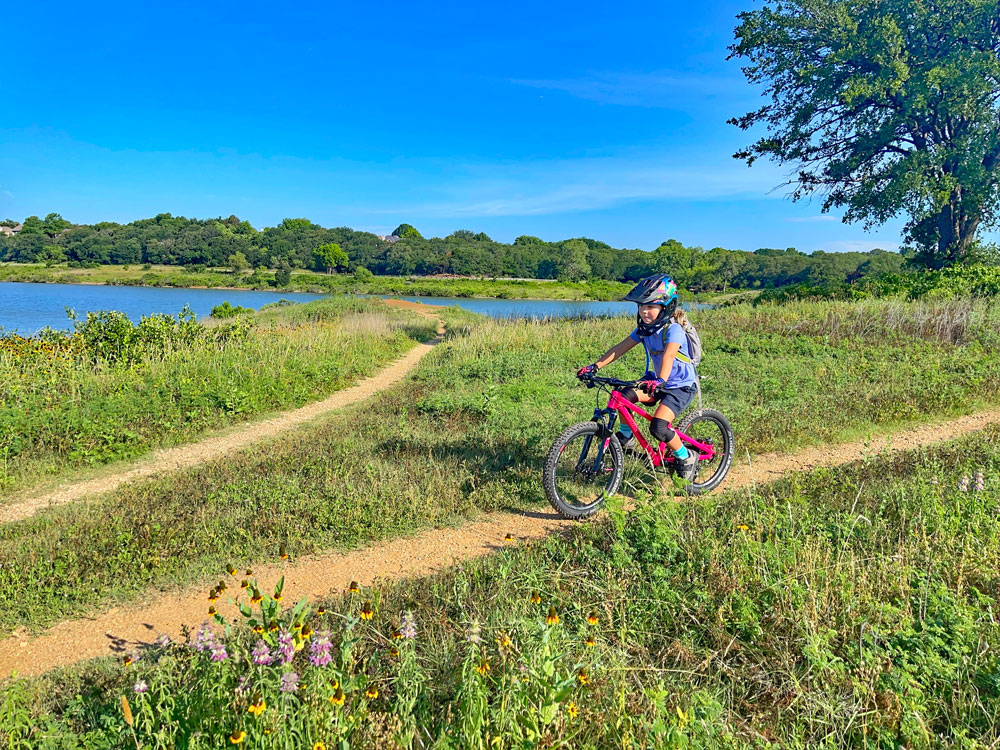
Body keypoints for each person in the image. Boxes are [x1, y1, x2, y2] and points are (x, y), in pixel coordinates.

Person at [576, 273, 699, 480]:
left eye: (650, 306)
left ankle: (685, 456)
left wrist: (659, 380)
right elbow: (620, 348)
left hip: (680, 387)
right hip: (657, 383)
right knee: (623, 396)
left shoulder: (673, 329)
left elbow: (669, 355)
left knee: (659, 427)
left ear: (665, 307)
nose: (644, 311)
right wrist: (595, 366)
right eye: (641, 306)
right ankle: (626, 437)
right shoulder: (645, 330)